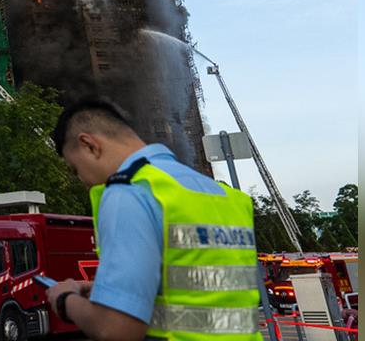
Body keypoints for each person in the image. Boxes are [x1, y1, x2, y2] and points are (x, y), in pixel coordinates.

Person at [44, 97, 263, 341]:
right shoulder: (226, 196)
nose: (83, 181)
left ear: (89, 145)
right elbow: (202, 288)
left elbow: (116, 329)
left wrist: (65, 299)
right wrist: (104, 292)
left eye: (75, 169)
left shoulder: (129, 192)